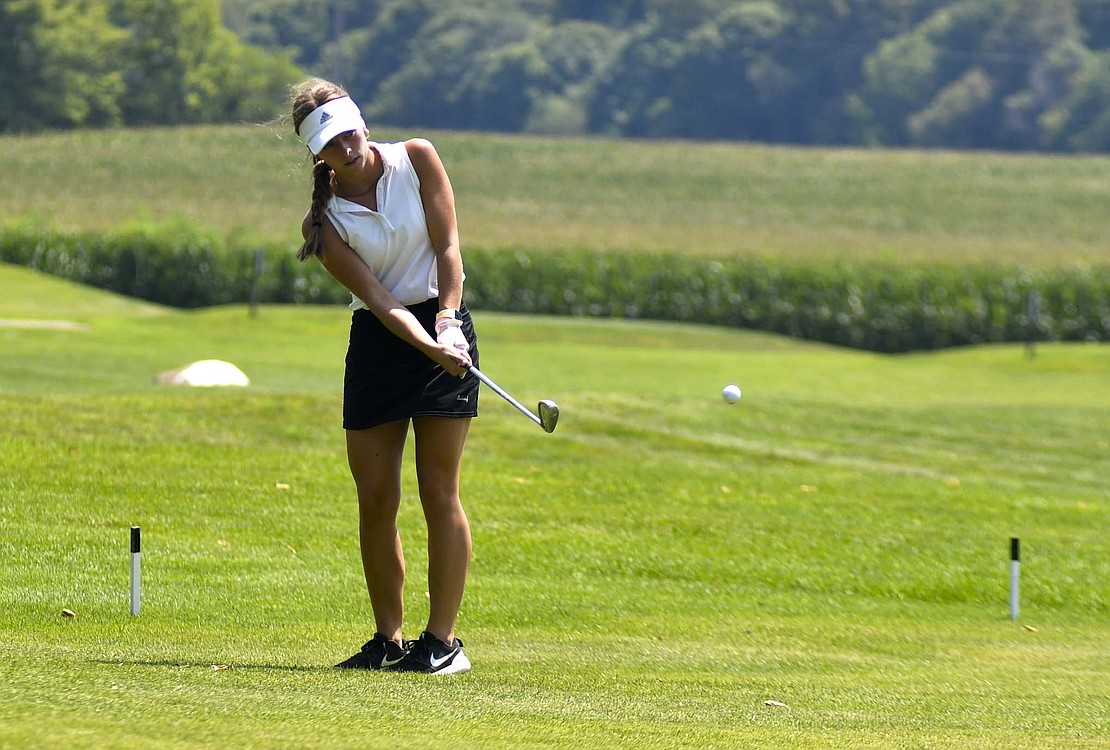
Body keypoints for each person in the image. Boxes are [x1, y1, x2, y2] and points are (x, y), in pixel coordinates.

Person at [290, 78, 478, 674]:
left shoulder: (417, 157)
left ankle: (442, 644)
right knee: (375, 497)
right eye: (330, 143)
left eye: (348, 131)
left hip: (443, 319)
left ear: (362, 121)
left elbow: (449, 248)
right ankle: (388, 641)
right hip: (382, 340)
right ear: (315, 155)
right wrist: (426, 343)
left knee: (437, 491)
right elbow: (377, 299)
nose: (346, 147)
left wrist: (447, 324)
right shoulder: (324, 227)